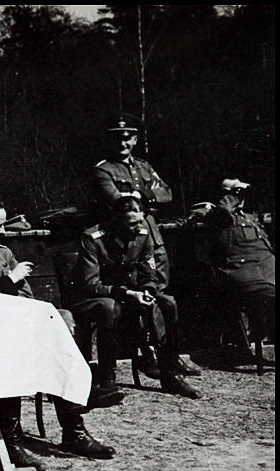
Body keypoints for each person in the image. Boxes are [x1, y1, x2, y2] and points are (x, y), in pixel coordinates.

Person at [0, 196, 118, 471]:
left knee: (58, 328)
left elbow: (27, 296)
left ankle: (75, 430)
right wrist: (9, 279)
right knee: (29, 352)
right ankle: (19, 438)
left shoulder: (4, 254)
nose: (3, 232)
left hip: (14, 329)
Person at [90, 113, 201, 378]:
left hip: (152, 237)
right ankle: (147, 354)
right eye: (117, 137)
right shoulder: (104, 170)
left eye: (128, 136)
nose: (123, 141)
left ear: (136, 140)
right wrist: (143, 198)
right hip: (127, 240)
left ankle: (166, 356)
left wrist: (145, 194)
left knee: (159, 293)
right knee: (136, 296)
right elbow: (119, 203)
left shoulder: (143, 166)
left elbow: (167, 193)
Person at [69, 196, 202, 399]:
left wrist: (147, 290)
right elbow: (90, 285)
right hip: (92, 298)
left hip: (128, 294)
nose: (138, 227)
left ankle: (170, 374)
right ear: (116, 220)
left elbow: (149, 274)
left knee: (168, 304)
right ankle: (107, 379)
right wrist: (127, 294)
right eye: (132, 223)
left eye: (141, 221)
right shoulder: (93, 238)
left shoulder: (142, 235)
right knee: (109, 307)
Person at [203, 179, 275, 362]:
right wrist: (234, 195)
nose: (241, 197)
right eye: (237, 193)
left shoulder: (250, 218)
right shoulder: (218, 217)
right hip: (246, 274)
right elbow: (223, 210)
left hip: (268, 270)